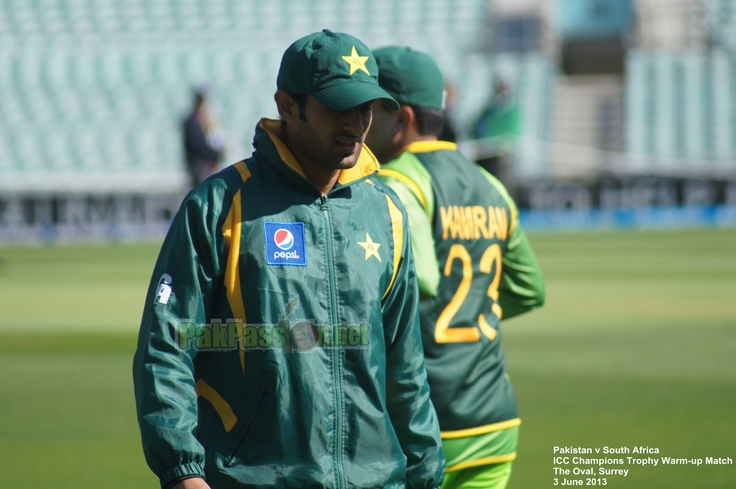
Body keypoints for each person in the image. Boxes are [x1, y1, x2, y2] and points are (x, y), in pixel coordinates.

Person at [133, 31, 446, 489]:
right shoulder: (219, 205)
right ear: (287, 105)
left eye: (366, 109)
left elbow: (406, 368)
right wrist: (181, 469)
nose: (356, 124)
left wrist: (426, 472)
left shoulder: (387, 212)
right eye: (337, 106)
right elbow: (166, 347)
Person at [365, 46, 545, 489]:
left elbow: (422, 279)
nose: (358, 126)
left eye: (369, 112)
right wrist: (473, 309)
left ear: (402, 118)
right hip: (495, 418)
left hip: (427, 424)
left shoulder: (396, 182)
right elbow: (530, 289)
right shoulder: (490, 184)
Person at [470, 78, 521, 196]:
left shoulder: (512, 113)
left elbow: (511, 135)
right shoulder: (487, 111)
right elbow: (474, 129)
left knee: (502, 189)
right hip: (484, 157)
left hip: (502, 159)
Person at [183, 88, 226, 187]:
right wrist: (215, 154)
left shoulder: (201, 120)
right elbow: (198, 146)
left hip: (204, 166)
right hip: (199, 167)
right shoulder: (192, 122)